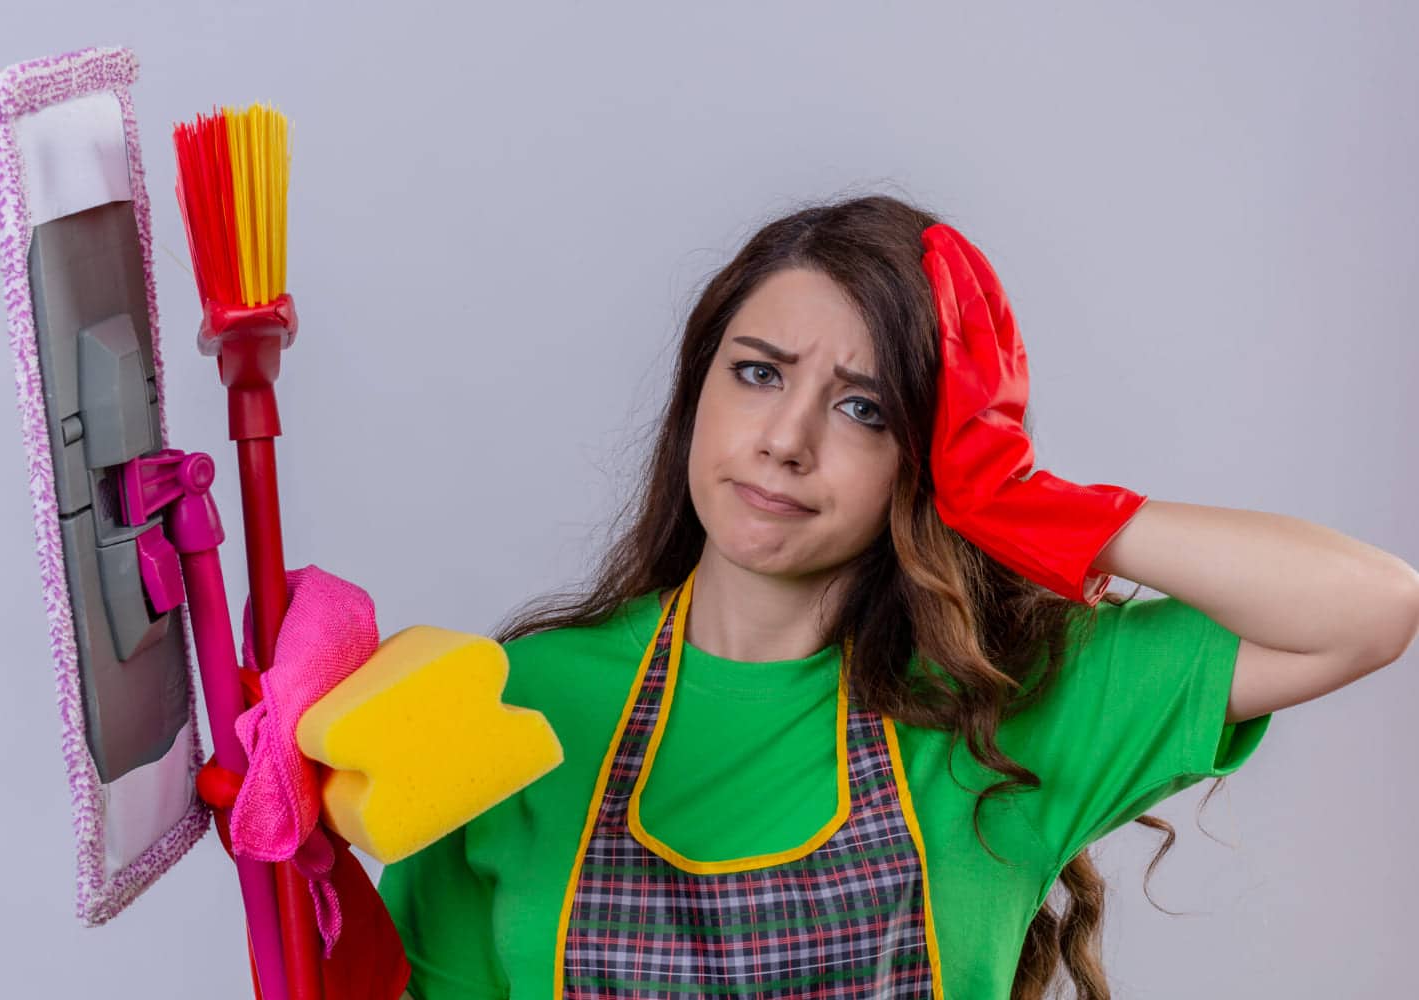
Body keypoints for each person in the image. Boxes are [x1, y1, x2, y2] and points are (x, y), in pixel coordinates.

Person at [377, 194, 1419, 999]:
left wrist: (1025, 501)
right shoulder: (515, 708)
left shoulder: (1009, 706)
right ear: (695, 386)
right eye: (757, 373)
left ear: (924, 460)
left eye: (863, 408)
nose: (786, 439)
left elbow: (1371, 608)